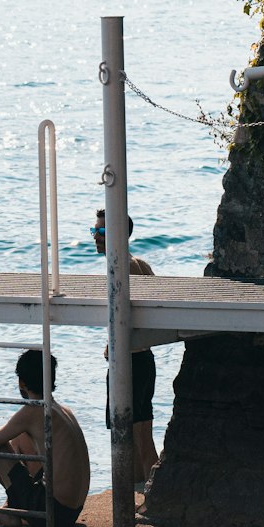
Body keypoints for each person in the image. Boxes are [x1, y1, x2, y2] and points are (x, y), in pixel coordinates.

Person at [0, 349, 90, 527]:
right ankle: (9, 512)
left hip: (52, 514)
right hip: (71, 511)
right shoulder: (62, 410)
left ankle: (11, 514)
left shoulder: (34, 411)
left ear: (22, 382)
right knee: (19, 438)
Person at [92, 208, 159, 488]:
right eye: (94, 230)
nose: (96, 236)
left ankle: (139, 491)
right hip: (144, 358)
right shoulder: (140, 263)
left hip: (129, 362)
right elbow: (153, 311)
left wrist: (114, 343)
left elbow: (127, 315)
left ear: (119, 234)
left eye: (103, 231)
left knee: (130, 432)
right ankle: (148, 488)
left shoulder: (121, 267)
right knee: (142, 429)